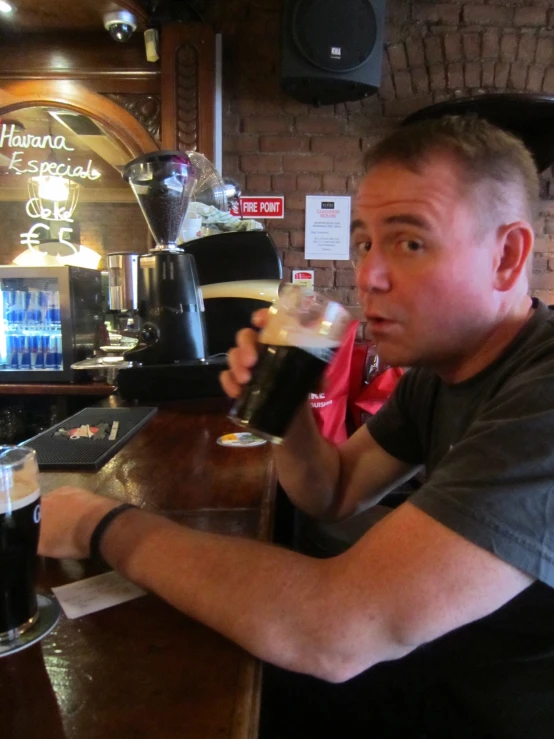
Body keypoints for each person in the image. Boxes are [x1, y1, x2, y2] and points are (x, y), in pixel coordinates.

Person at [39, 115, 554, 739]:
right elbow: (334, 492)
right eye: (364, 242)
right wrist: (290, 416)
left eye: (409, 242)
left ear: (507, 256)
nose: (370, 276)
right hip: (433, 670)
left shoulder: (542, 396)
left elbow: (335, 631)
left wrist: (100, 524)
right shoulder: (442, 371)